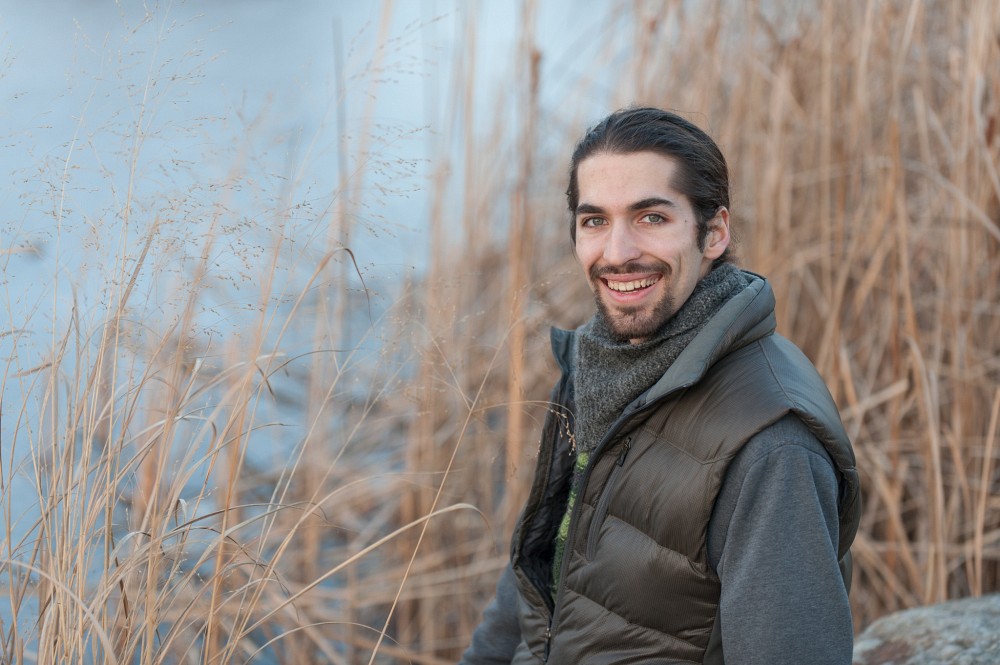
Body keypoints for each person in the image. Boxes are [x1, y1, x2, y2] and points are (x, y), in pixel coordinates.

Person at [459, 107, 861, 665]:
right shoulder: (596, 368)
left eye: (650, 217)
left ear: (713, 233)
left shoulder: (772, 444)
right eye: (595, 221)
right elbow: (538, 575)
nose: (617, 253)